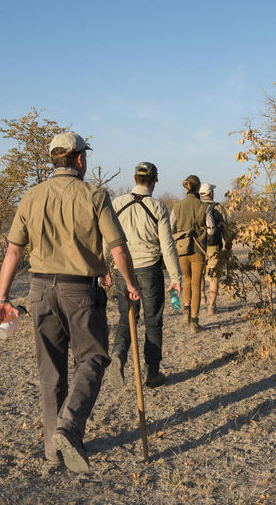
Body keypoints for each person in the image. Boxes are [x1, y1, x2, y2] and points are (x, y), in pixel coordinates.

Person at [0, 131, 142, 474]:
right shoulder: (95, 195)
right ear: (79, 159)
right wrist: (131, 285)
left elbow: (14, 250)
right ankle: (69, 427)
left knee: (51, 371)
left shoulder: (31, 196)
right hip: (80, 291)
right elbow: (118, 248)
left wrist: (2, 297)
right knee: (92, 358)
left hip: (40, 289)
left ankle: (52, 450)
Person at [110, 161, 183, 388]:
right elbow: (167, 246)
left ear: (134, 179)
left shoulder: (116, 204)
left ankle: (118, 354)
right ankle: (152, 373)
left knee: (127, 316)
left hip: (122, 271)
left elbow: (107, 239)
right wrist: (175, 277)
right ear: (155, 180)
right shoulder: (158, 207)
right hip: (149, 270)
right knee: (153, 321)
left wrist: (104, 268)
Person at [170, 175, 207, 332]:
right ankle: (194, 321)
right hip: (198, 250)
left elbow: (171, 226)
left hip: (182, 250)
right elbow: (211, 228)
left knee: (186, 279)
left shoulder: (177, 206)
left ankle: (185, 311)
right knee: (196, 285)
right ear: (198, 188)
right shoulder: (203, 206)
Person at [199, 183, 228, 316]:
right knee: (213, 277)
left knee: (199, 274)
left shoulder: (197, 206)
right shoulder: (218, 207)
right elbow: (226, 228)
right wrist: (228, 243)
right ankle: (212, 306)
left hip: (198, 247)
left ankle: (202, 298)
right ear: (211, 193)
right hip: (213, 247)